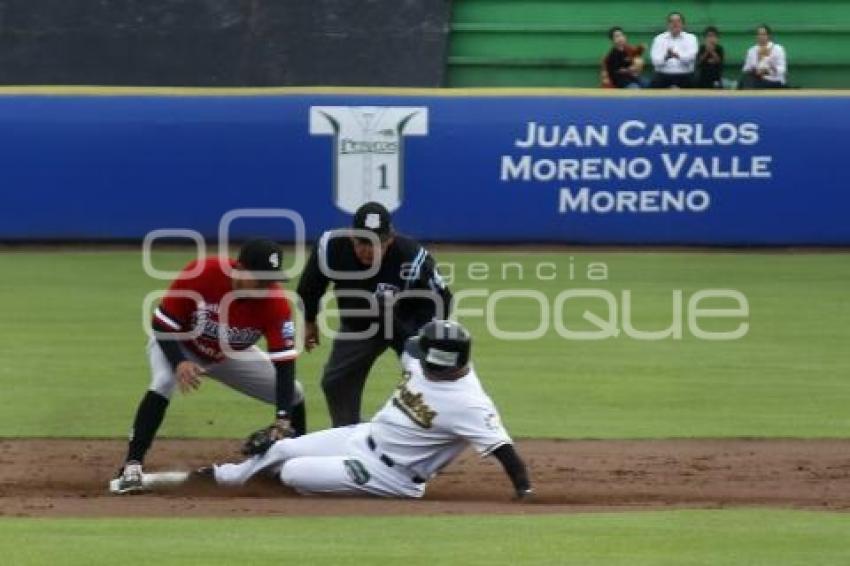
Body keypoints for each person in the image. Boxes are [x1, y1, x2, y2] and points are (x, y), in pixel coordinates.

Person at [197, 321, 534, 499]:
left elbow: (503, 449)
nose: (415, 354)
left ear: (441, 362)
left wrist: (524, 489)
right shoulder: (427, 363)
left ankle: (286, 484)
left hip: (390, 476)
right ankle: (220, 477)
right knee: (281, 448)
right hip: (363, 436)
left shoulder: (469, 404)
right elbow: (406, 342)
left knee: (292, 471)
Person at [111, 239, 307, 494]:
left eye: (269, 280)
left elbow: (285, 363)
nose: (264, 286)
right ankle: (132, 466)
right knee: (163, 382)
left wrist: (283, 421)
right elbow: (162, 324)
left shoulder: (276, 303)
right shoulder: (203, 273)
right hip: (178, 343)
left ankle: (297, 462)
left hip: (226, 354)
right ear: (239, 268)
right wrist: (179, 361)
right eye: (259, 279)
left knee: (294, 394)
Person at [297, 201, 452, 427]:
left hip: (408, 322)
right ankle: (349, 435)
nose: (368, 250)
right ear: (351, 236)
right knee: (335, 382)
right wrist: (310, 320)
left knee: (428, 380)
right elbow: (310, 286)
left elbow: (441, 298)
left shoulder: (411, 256)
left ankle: (434, 435)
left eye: (376, 243)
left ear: (390, 238)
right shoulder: (331, 247)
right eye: (362, 242)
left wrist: (428, 338)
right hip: (361, 323)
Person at [649, 11, 698, 88]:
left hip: (685, 75)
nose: (675, 24)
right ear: (667, 24)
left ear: (683, 24)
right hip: (663, 75)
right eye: (672, 21)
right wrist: (666, 57)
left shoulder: (691, 38)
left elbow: (691, 58)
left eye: (678, 21)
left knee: (694, 81)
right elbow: (655, 61)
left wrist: (677, 56)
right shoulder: (659, 39)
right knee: (654, 82)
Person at [740, 24, 787, 89]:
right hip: (757, 79)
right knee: (745, 79)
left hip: (774, 80)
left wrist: (768, 70)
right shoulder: (751, 50)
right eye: (759, 34)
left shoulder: (778, 49)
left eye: (763, 34)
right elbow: (745, 69)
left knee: (751, 83)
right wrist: (755, 69)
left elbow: (782, 70)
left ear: (769, 36)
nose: (761, 37)